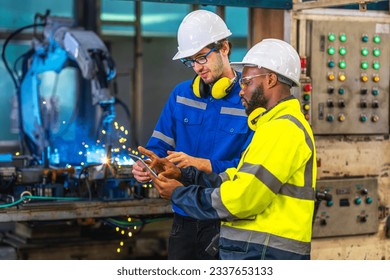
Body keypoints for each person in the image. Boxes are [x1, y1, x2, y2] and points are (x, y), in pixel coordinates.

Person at [141, 38, 317, 260]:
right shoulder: (272, 126)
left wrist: (179, 194)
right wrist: (184, 175)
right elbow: (239, 179)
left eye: (247, 82)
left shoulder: (282, 129)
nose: (241, 91)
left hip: (267, 254)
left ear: (271, 79)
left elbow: (242, 199)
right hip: (260, 251)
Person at [131, 10, 253, 260]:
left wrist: (204, 165)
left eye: (201, 58)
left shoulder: (249, 101)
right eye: (190, 61)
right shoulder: (182, 95)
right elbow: (158, 148)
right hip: (184, 218)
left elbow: (251, 169)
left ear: (225, 48)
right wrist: (147, 165)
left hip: (227, 222)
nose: (197, 68)